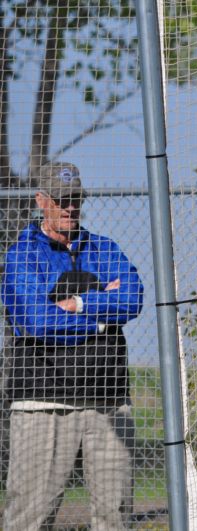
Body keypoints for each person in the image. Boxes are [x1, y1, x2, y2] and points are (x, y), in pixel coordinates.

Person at [1, 162, 144, 530]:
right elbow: (37, 322)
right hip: (44, 401)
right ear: (41, 201)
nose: (70, 208)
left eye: (76, 200)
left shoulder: (105, 248)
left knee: (115, 516)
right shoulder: (23, 256)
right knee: (30, 517)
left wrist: (80, 304)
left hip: (108, 401)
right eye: (62, 200)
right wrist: (101, 316)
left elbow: (132, 300)